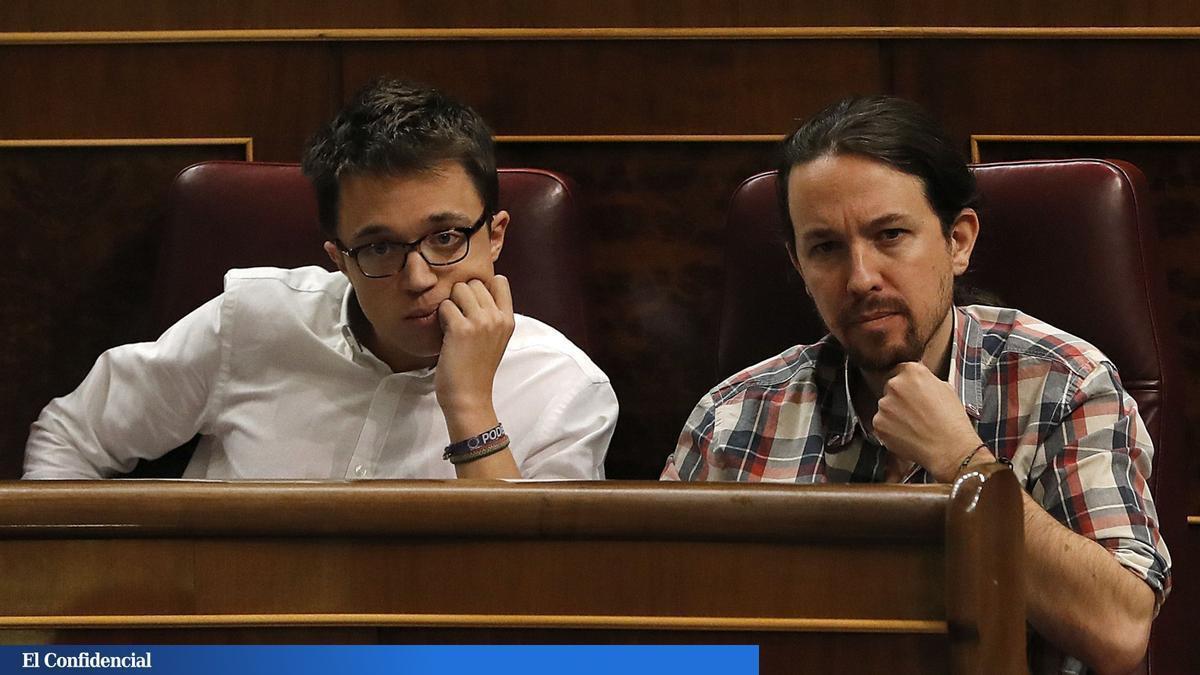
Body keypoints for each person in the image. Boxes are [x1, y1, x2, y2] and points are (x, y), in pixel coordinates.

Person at [662, 95, 1170, 674]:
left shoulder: (1063, 383)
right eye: (826, 248)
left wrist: (965, 462)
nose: (861, 279)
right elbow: (659, 641)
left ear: (958, 241)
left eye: (890, 235)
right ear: (798, 266)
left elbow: (1120, 632)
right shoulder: (734, 419)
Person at [24, 78, 617, 480]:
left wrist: (469, 409)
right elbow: (72, 437)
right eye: (379, 246)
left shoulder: (566, 392)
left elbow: (530, 600)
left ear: (496, 235)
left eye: (445, 237)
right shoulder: (250, 322)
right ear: (338, 256)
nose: (417, 277)